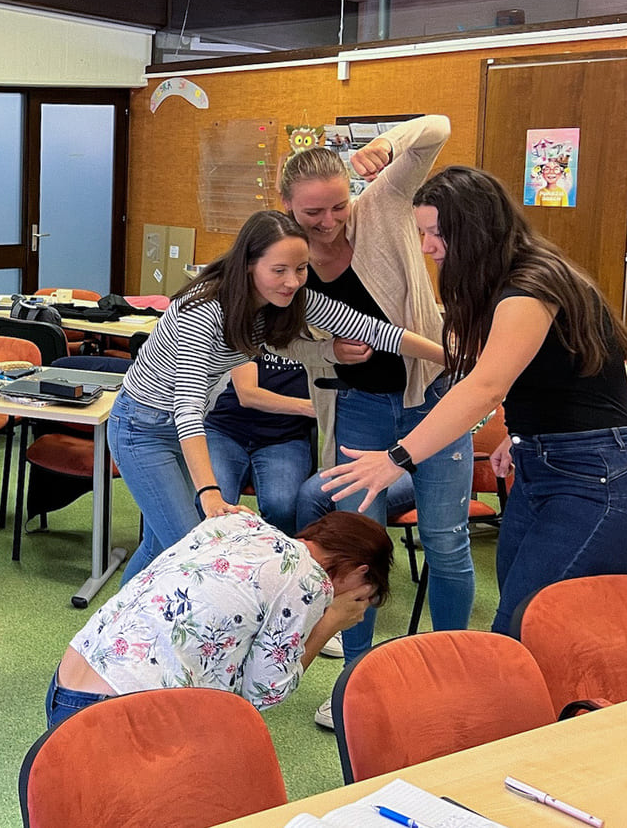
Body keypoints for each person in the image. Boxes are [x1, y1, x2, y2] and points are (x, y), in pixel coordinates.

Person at [324, 166, 627, 633]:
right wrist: (520, 432)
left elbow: (484, 386)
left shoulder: (530, 287)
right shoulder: (506, 282)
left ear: (475, 231)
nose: (427, 246)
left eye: (437, 233)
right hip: (547, 458)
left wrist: (397, 458)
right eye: (422, 232)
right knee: (521, 600)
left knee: (527, 622)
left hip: (593, 472)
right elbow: (556, 376)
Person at [112, 209, 444, 584]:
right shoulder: (204, 308)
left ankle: (114, 638)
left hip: (184, 432)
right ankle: (119, 638)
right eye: (279, 270)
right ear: (249, 265)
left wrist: (449, 358)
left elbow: (374, 330)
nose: (292, 281)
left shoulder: (282, 300)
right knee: (187, 551)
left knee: (161, 547)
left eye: (301, 268)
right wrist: (210, 492)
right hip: (142, 429)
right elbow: (186, 406)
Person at [279, 115, 474, 728]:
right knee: (359, 550)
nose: (329, 221)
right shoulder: (288, 259)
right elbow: (284, 339)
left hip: (434, 399)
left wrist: (387, 145)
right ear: (286, 207)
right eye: (313, 213)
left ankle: (452, 675)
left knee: (446, 543)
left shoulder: (384, 203)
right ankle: (356, 685)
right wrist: (327, 352)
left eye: (337, 206)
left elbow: (438, 128)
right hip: (360, 406)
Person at [46, 509, 391, 728]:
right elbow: (263, 694)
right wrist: (329, 622)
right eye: (363, 594)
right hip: (119, 709)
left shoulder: (238, 520)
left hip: (69, 679)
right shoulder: (311, 580)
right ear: (359, 572)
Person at [205, 350, 316, 535]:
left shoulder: (321, 332)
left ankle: (275, 556)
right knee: (216, 503)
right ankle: (218, 560)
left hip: (286, 437)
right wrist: (310, 407)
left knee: (283, 507)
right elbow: (247, 394)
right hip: (227, 431)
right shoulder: (252, 329)